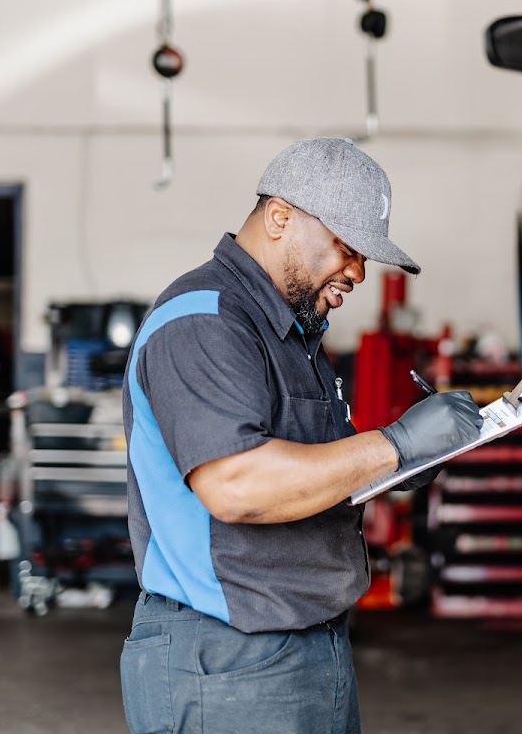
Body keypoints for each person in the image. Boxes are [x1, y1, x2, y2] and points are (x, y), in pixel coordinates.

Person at [118, 138, 483, 734]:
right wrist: (395, 444)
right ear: (280, 217)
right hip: (227, 659)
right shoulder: (204, 320)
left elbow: (312, 477)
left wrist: (405, 464)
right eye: (347, 247)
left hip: (308, 649)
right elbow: (236, 484)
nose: (360, 273)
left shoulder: (292, 337)